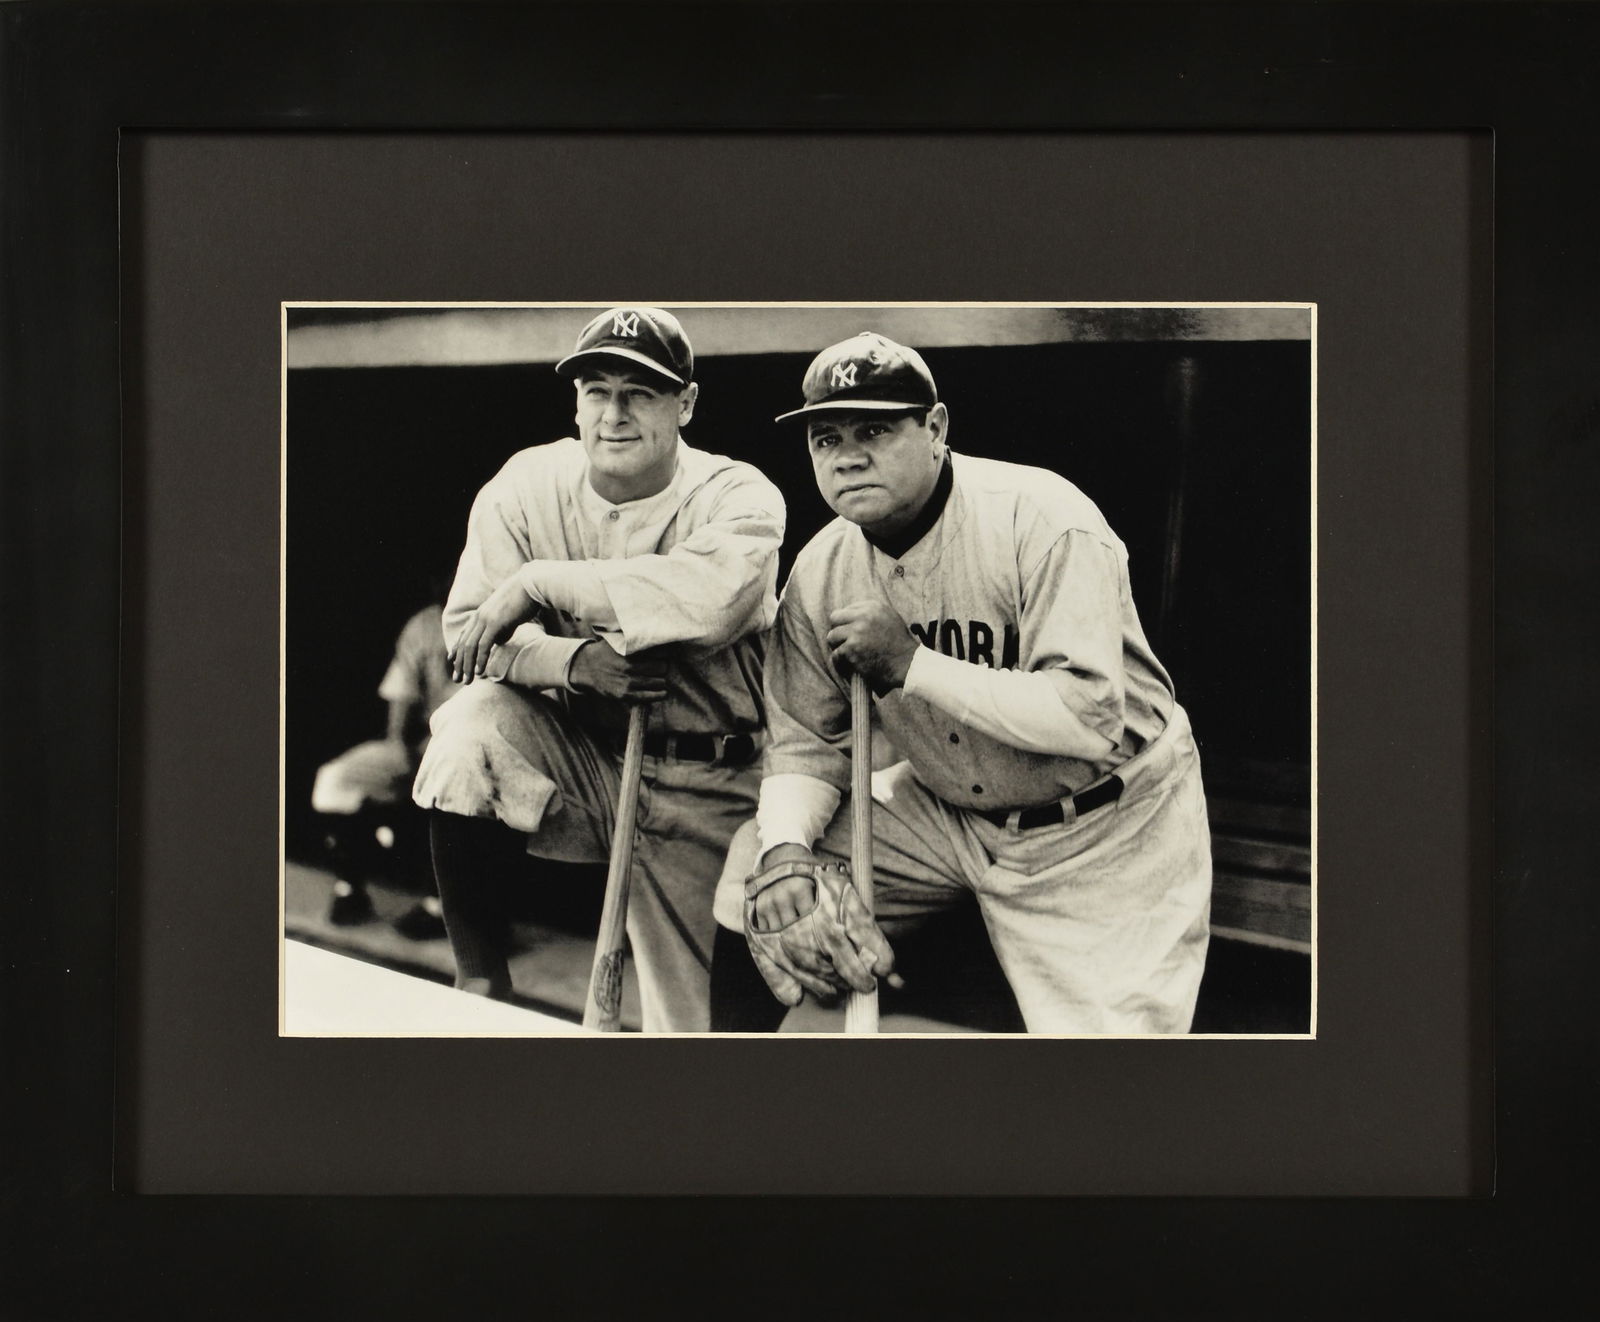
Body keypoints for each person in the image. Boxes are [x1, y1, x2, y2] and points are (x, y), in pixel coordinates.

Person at [709, 332, 1212, 1034]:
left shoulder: (1042, 519)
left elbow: (1087, 718)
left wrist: (914, 664)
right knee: (758, 877)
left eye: (875, 430)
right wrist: (788, 849)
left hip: (1105, 824)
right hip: (947, 817)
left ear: (936, 428)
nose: (847, 455)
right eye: (826, 438)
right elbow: (805, 743)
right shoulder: (821, 571)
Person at [412, 307, 785, 1032]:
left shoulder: (739, 496)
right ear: (576, 405)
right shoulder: (527, 483)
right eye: (597, 390)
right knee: (469, 725)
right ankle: (480, 977)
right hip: (588, 761)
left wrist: (539, 583)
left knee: (697, 1035)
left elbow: (705, 603)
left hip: (710, 780)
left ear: (687, 404)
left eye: (640, 393)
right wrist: (575, 662)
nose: (615, 414)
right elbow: (465, 636)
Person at [310, 597, 453, 937]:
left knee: (452, 790)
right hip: (423, 741)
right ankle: (350, 889)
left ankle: (443, 908)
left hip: (474, 750)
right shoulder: (426, 623)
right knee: (336, 780)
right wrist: (398, 746)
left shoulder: (513, 619)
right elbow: (401, 695)